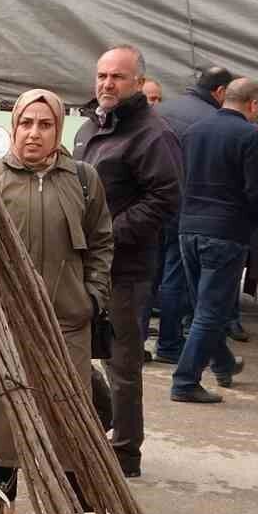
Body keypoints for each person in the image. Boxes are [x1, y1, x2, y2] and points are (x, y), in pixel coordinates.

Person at [0, 88, 113, 514]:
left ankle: (78, 513)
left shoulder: (82, 179)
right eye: (26, 123)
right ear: (13, 127)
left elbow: (102, 241)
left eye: (45, 125)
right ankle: (0, 508)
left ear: (58, 129)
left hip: (64, 321)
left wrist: (92, 298)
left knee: (67, 411)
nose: (34, 133)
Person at [74, 45, 181, 477]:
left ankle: (125, 453)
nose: (107, 84)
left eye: (117, 77)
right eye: (102, 75)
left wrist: (107, 236)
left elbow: (165, 200)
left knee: (122, 365)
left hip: (125, 270)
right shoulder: (91, 127)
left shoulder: (152, 134)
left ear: (138, 83)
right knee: (79, 351)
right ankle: (99, 425)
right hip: (84, 264)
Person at [170, 79, 258, 403]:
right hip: (225, 233)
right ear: (253, 105)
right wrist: (256, 218)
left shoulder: (194, 131)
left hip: (188, 229)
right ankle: (185, 382)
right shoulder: (250, 135)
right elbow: (257, 191)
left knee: (203, 308)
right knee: (211, 312)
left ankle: (224, 363)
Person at [152, 67, 233, 364]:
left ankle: (136, 342)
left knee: (147, 276)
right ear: (220, 92)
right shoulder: (210, 120)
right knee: (175, 277)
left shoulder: (160, 110)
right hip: (183, 208)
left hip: (149, 204)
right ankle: (169, 344)